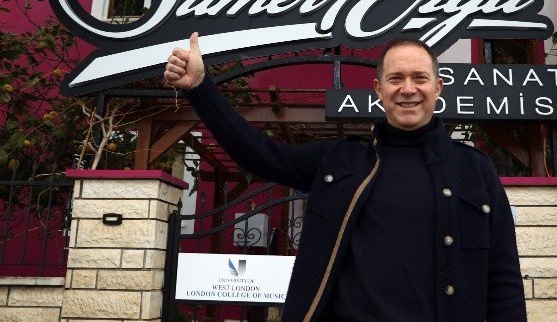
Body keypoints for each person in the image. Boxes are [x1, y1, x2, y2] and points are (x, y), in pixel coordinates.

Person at [164, 32, 526, 321]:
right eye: (396, 78)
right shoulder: (340, 163)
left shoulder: (475, 171)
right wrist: (200, 87)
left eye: (420, 78)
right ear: (379, 90)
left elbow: (504, 278)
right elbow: (259, 154)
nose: (408, 89)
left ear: (438, 87)